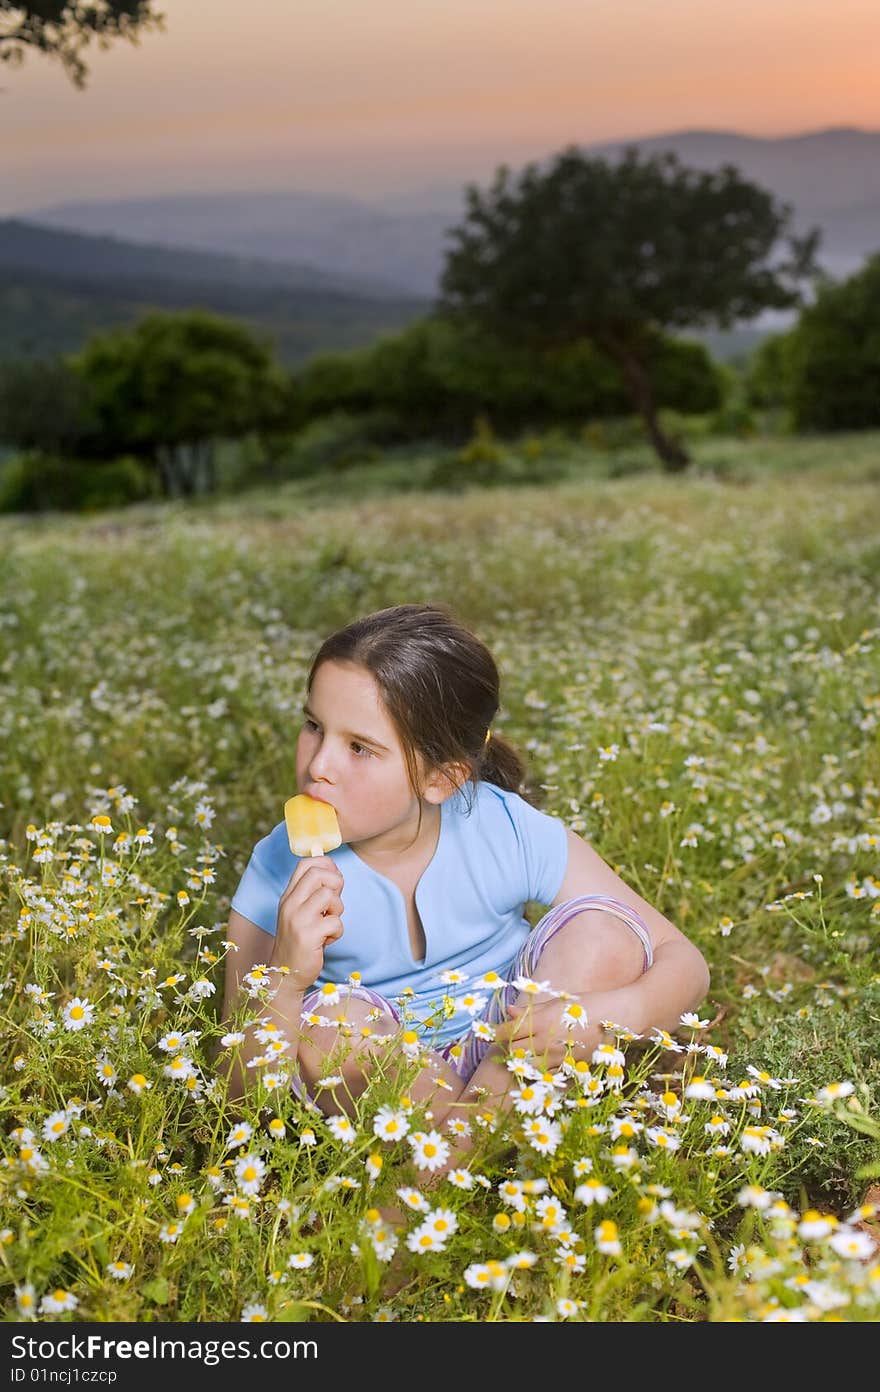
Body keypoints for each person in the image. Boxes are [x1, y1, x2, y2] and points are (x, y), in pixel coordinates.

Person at [219, 602, 710, 1154]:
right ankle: (478, 1156)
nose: (318, 765)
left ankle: (441, 1167)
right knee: (332, 1024)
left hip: (514, 1052)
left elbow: (683, 960)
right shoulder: (277, 866)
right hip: (391, 1083)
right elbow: (237, 1096)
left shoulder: (498, 825)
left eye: (359, 747)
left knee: (605, 932)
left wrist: (624, 1013)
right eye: (313, 726)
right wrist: (284, 979)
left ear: (442, 778)